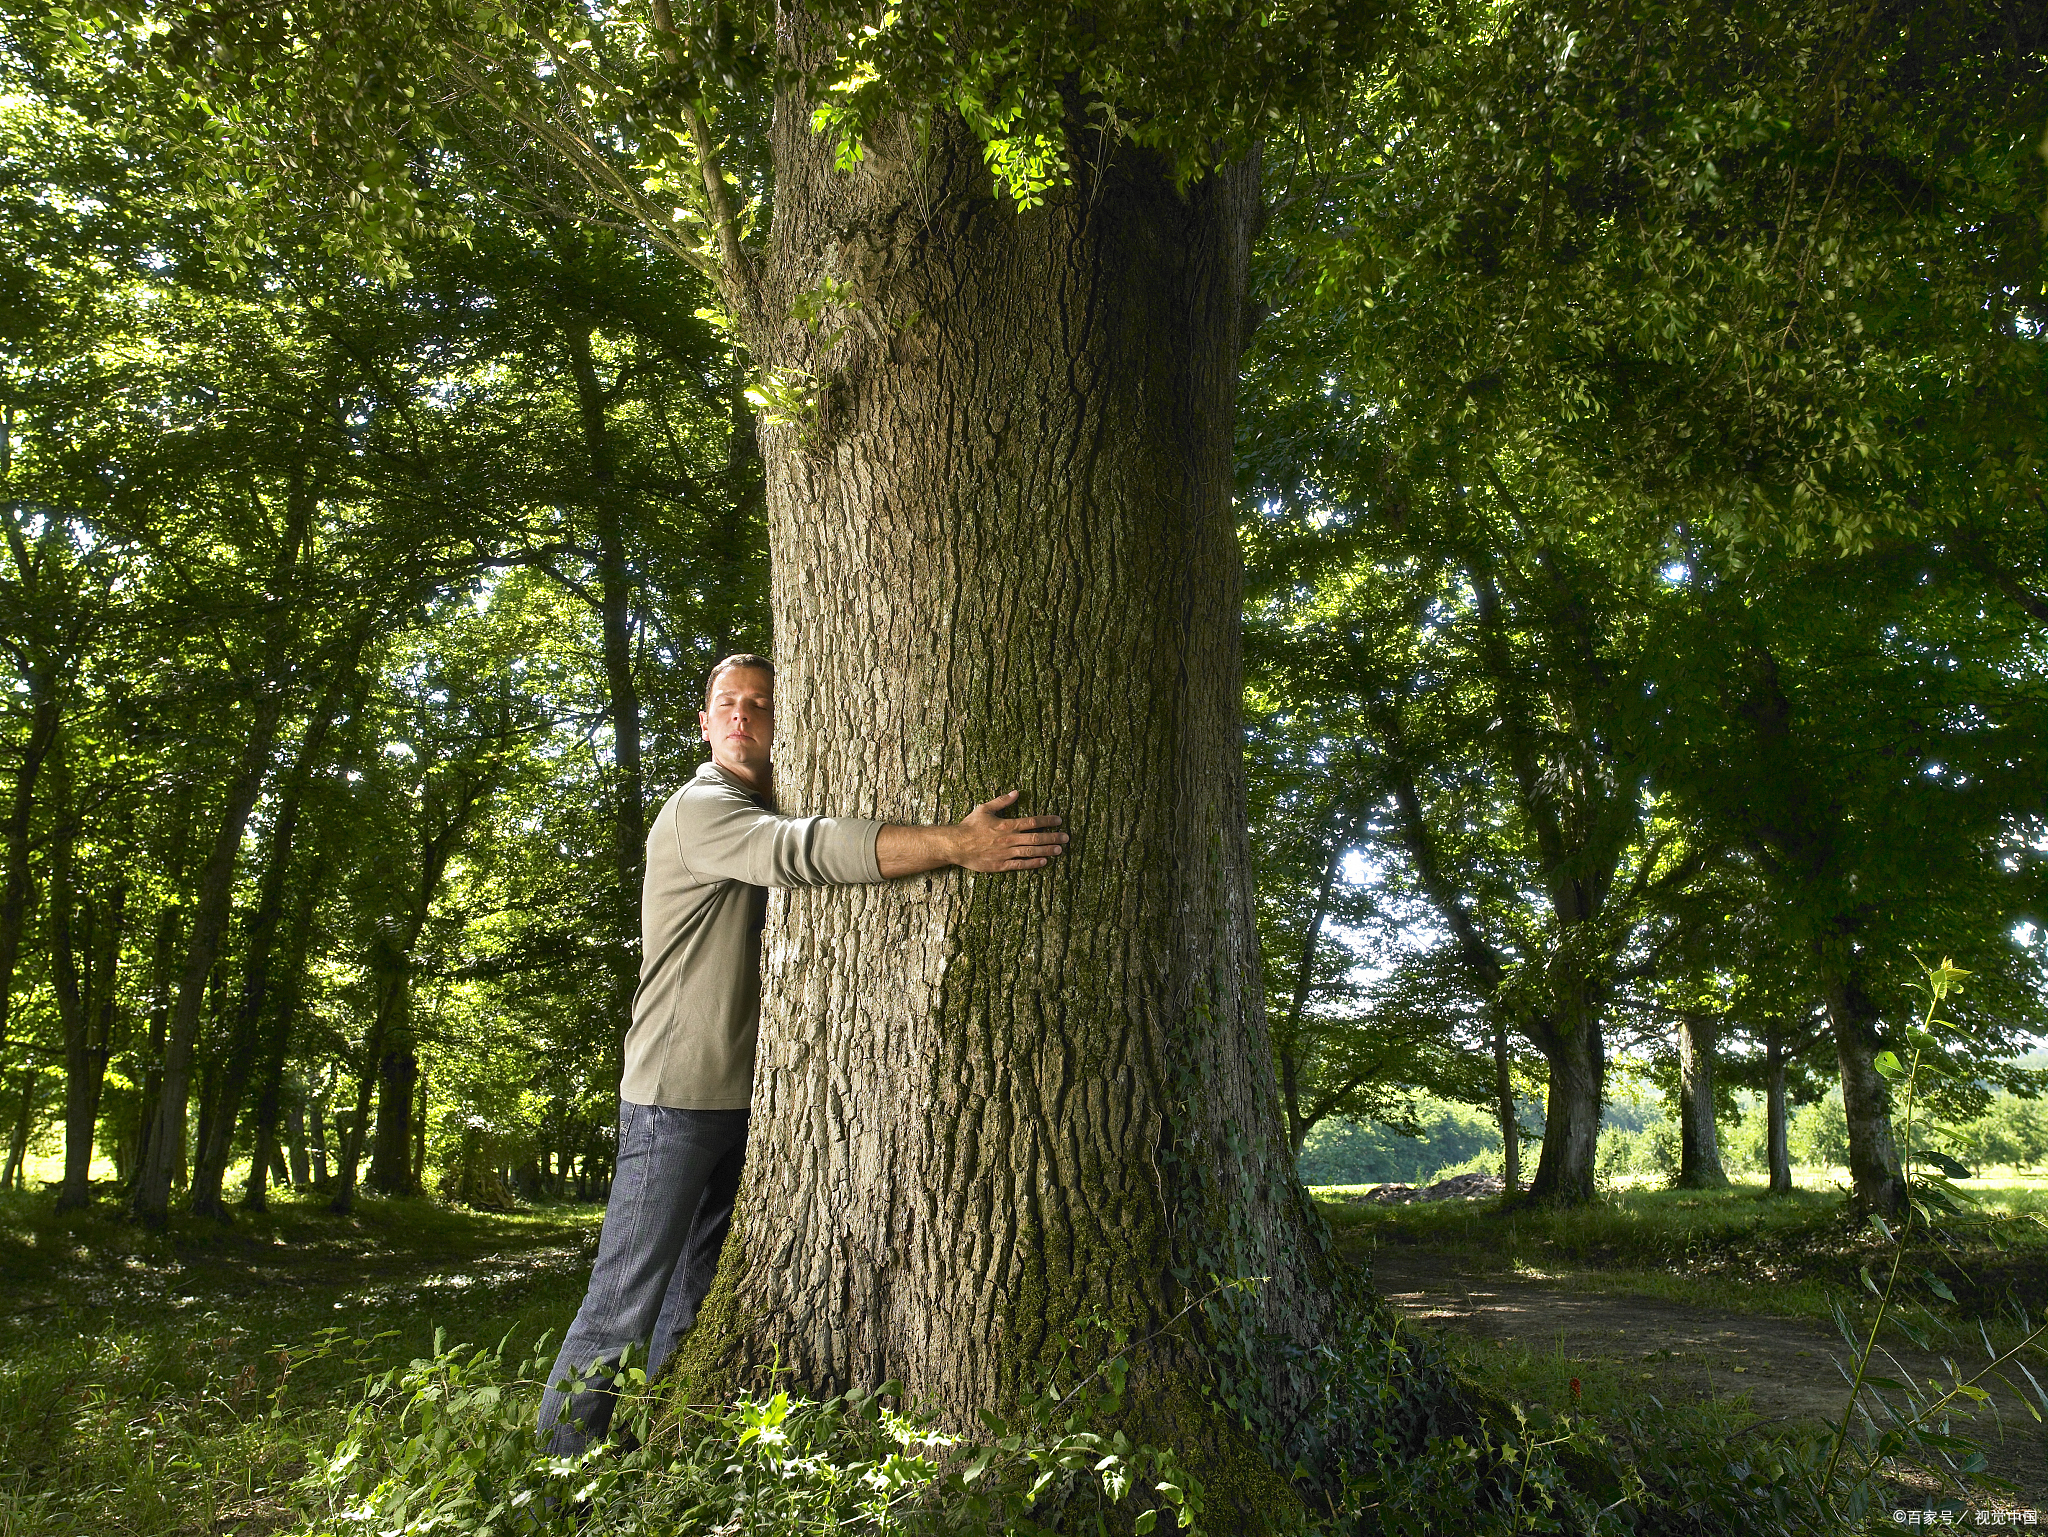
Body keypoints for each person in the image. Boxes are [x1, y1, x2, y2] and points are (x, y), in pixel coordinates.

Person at [538, 652, 1066, 1455]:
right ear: (705, 723)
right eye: (727, 702)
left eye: (760, 702)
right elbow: (799, 850)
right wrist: (954, 842)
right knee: (623, 1298)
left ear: (787, 721)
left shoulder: (749, 799)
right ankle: (555, 1481)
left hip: (743, 1100)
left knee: (699, 1297)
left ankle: (665, 1453)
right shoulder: (701, 809)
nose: (743, 714)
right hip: (673, 1099)